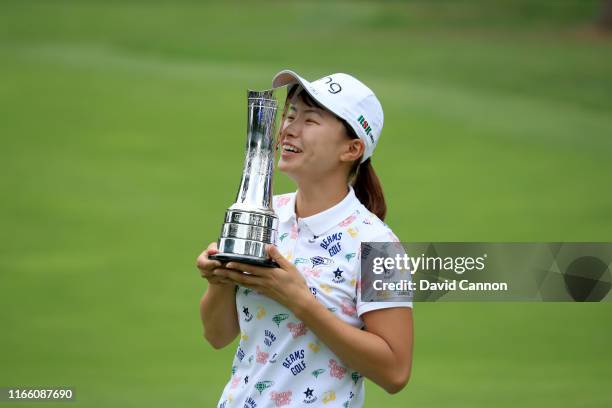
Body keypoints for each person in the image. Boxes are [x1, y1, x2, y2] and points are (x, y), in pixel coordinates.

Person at [197, 70, 413, 407]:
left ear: (352, 148)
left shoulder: (378, 245)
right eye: (291, 115)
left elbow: (395, 372)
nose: (289, 129)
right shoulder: (266, 213)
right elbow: (217, 335)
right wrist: (218, 280)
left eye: (310, 120)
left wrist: (300, 301)